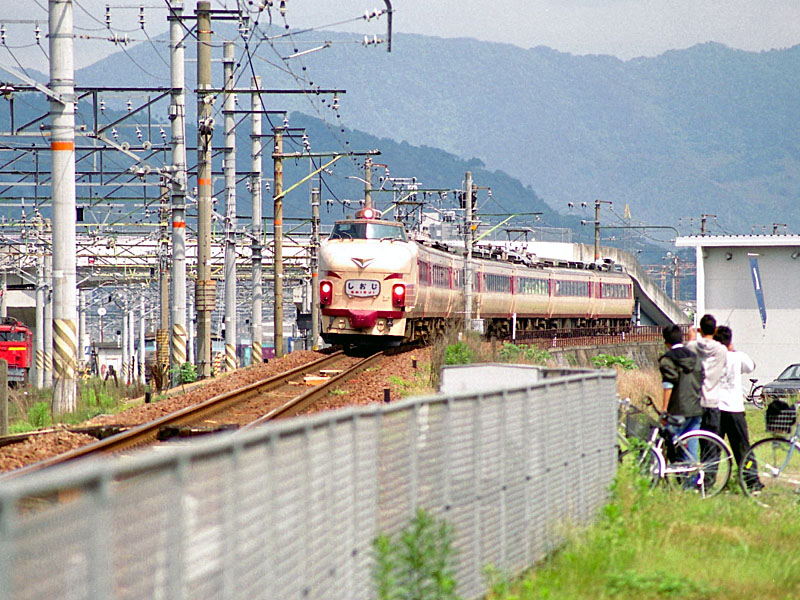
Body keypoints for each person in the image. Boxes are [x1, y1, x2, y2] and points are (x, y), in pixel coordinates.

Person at [713, 325, 764, 491]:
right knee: (742, 447)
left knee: (713, 448)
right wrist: (733, 350)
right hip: (734, 408)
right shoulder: (737, 357)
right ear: (730, 341)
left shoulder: (711, 358)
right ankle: (751, 481)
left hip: (715, 408)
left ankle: (707, 482)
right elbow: (751, 366)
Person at [659, 324, 704, 445]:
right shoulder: (695, 357)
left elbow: (668, 385)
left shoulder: (668, 359)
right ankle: (693, 464)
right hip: (696, 407)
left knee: (670, 442)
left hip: (678, 409)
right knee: (691, 444)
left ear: (666, 342)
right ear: (681, 339)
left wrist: (664, 410)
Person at [686, 314, 727, 435]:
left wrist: (691, 337)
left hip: (695, 401)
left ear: (700, 329)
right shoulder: (721, 350)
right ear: (715, 330)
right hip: (713, 400)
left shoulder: (691, 346)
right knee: (710, 440)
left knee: (691, 437)